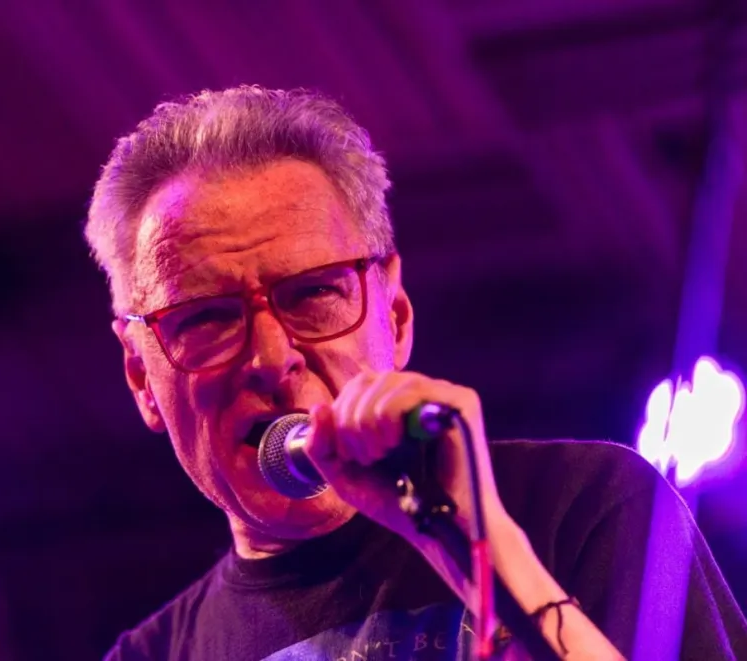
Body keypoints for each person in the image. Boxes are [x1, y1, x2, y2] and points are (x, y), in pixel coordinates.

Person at [83, 86, 747, 660]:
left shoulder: (588, 506)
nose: (271, 356)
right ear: (141, 375)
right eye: (206, 319)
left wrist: (479, 546)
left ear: (395, 316)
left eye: (313, 293)